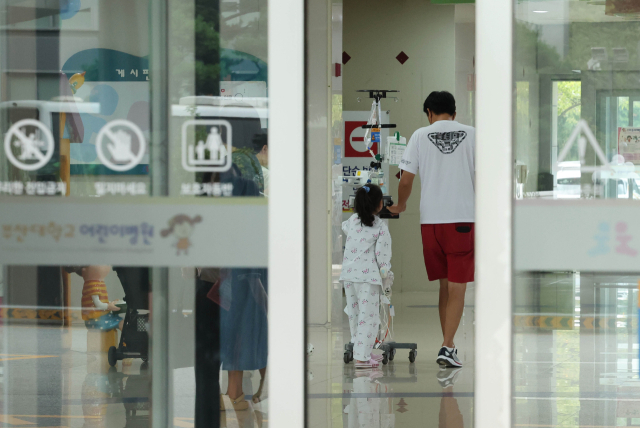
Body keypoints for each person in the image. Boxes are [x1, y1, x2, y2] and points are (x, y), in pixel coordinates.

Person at [387, 91, 475, 368]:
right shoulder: (473, 135)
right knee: (458, 288)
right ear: (455, 112)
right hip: (462, 220)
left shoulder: (419, 136)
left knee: (445, 285)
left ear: (428, 112)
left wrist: (401, 205)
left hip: (430, 223)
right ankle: (447, 346)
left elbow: (405, 179)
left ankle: (447, 344)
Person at [341, 184, 392, 369]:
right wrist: (387, 276)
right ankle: (362, 358)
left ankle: (362, 351)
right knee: (368, 317)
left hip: (348, 276)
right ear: (380, 205)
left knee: (355, 315)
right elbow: (382, 258)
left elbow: (345, 227)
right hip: (368, 279)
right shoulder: (380, 227)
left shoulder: (352, 221)